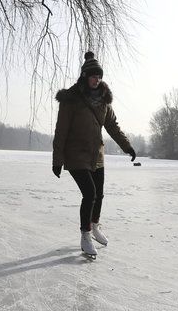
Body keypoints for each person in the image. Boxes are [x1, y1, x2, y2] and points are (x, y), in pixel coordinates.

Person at [52, 51, 136, 257]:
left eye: (99, 77)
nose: (96, 80)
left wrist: (127, 147)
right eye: (93, 76)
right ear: (84, 76)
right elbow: (61, 130)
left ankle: (95, 225)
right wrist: (57, 159)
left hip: (96, 155)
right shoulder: (71, 99)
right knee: (89, 193)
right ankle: (85, 235)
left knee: (99, 194)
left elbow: (113, 127)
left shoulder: (104, 101)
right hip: (75, 154)